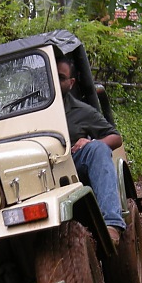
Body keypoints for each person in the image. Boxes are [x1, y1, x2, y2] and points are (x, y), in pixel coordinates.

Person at [57, 58, 125, 244]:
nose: (54, 80)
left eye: (61, 77)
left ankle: (111, 222)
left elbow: (115, 137)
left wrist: (91, 142)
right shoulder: (25, 110)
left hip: (71, 164)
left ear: (71, 83)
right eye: (51, 75)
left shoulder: (81, 111)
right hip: (33, 171)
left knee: (98, 148)